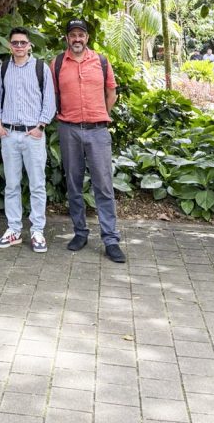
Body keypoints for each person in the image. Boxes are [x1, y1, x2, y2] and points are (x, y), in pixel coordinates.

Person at [52, 19, 125, 263]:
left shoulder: (101, 62)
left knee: (103, 185)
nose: (77, 39)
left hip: (97, 131)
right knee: (73, 184)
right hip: (68, 129)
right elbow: (52, 93)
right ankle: (80, 232)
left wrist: (101, 113)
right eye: (72, 35)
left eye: (81, 35)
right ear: (67, 39)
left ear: (87, 38)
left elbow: (111, 91)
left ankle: (111, 239)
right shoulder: (58, 63)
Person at [0, 27, 56, 253]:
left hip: (33, 135)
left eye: (23, 43)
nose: (19, 46)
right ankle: (14, 230)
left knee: (37, 184)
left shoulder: (41, 68)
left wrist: (40, 126)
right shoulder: (4, 68)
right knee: (11, 185)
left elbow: (49, 100)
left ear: (30, 45)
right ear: (10, 45)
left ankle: (37, 230)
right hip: (9, 134)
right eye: (15, 43)